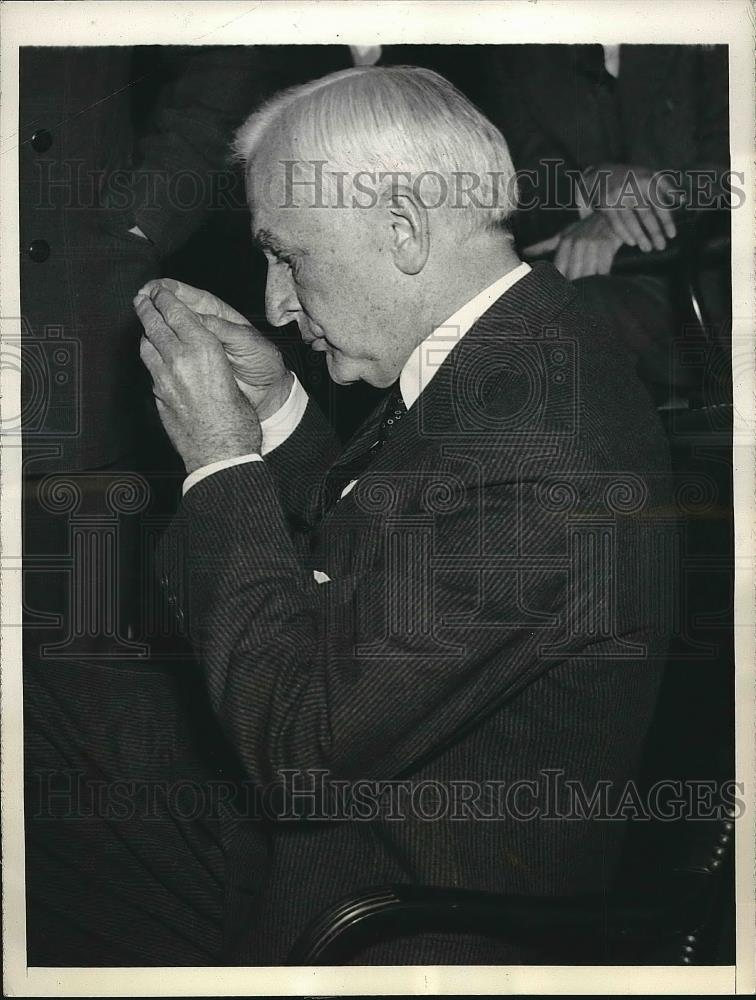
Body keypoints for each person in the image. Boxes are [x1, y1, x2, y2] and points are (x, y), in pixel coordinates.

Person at [135, 65, 676, 965]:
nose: (274, 301)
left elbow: (297, 746)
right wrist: (273, 411)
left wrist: (218, 461)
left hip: (388, 912)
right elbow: (393, 529)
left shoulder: (541, 452)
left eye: (286, 255)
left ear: (403, 229)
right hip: (372, 826)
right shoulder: (513, 346)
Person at [471, 44, 731, 402]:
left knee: (554, 334)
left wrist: (629, 210)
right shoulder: (513, 46)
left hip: (721, 282)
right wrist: (591, 184)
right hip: (600, 289)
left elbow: (734, 160)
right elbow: (516, 194)